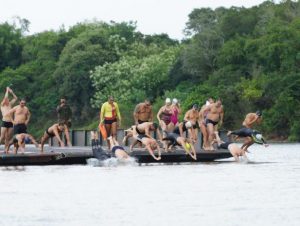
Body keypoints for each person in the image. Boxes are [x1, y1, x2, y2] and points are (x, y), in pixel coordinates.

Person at [0, 87, 18, 153]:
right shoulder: (2, 105)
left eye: (8, 100)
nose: (7, 100)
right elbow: (5, 97)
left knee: (7, 137)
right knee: (2, 137)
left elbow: (16, 98)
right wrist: (7, 90)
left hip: (10, 122)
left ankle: (6, 149)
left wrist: (11, 92)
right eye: (6, 100)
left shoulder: (10, 104)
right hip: (4, 121)